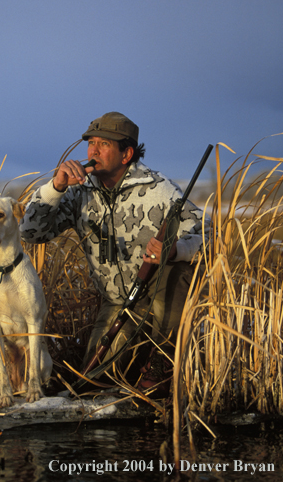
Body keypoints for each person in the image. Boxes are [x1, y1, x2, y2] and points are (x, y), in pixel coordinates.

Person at [19, 111, 210, 395]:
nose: (93, 150)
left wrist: (175, 250)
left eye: (104, 144)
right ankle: (136, 362)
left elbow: (207, 235)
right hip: (118, 306)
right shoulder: (77, 192)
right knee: (91, 385)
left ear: (126, 154)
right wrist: (55, 187)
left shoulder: (159, 190)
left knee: (179, 271)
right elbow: (31, 233)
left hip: (157, 300)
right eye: (91, 142)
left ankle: (165, 360)